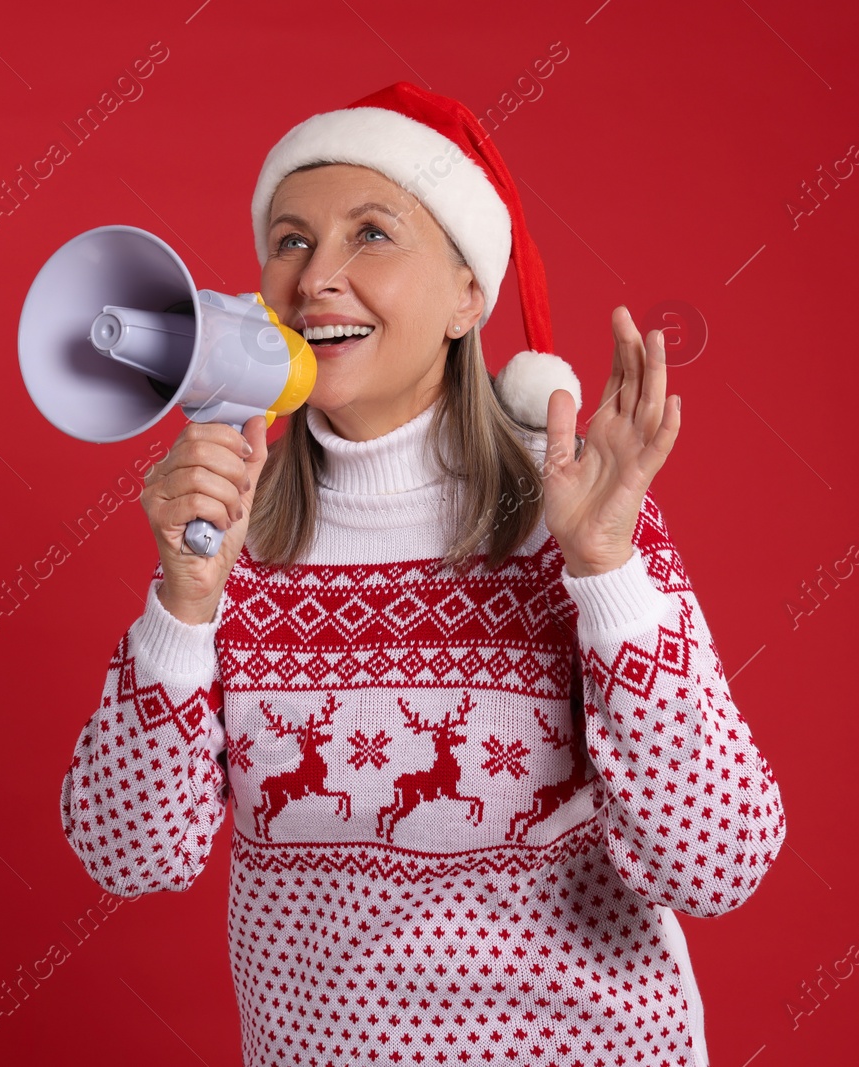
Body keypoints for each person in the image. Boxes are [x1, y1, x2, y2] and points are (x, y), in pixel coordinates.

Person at [58, 82, 785, 1067]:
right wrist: (182, 608)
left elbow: (717, 860)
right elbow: (130, 854)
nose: (317, 276)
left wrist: (605, 567)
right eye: (290, 239)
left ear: (465, 296)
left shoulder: (572, 515)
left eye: (370, 234)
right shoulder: (231, 541)